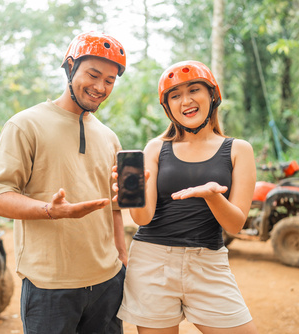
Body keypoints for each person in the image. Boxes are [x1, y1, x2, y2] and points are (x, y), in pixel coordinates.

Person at [0, 31, 128, 334]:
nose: (100, 87)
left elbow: (114, 207)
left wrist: (122, 260)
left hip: (107, 282)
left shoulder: (109, 137)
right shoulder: (25, 124)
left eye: (110, 80)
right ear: (69, 66)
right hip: (49, 286)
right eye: (93, 74)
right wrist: (49, 210)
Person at [114, 60, 259, 334]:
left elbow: (235, 225)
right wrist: (132, 193)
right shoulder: (155, 148)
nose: (186, 101)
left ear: (212, 96)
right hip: (152, 262)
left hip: (208, 263)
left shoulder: (239, 150)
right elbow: (143, 218)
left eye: (194, 90)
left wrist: (211, 197)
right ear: (168, 107)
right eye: (175, 95)